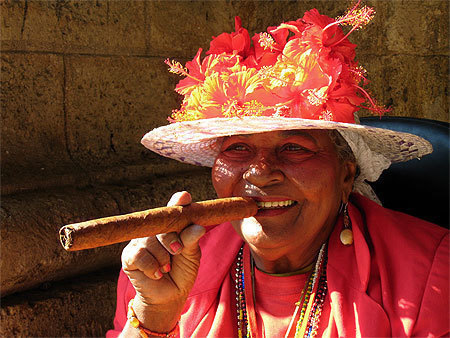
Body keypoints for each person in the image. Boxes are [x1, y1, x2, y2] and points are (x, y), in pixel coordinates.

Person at [107, 3, 449, 337]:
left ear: (346, 175)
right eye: (238, 148)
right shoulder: (160, 266)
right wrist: (156, 316)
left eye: (294, 148)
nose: (259, 172)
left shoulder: (430, 275)